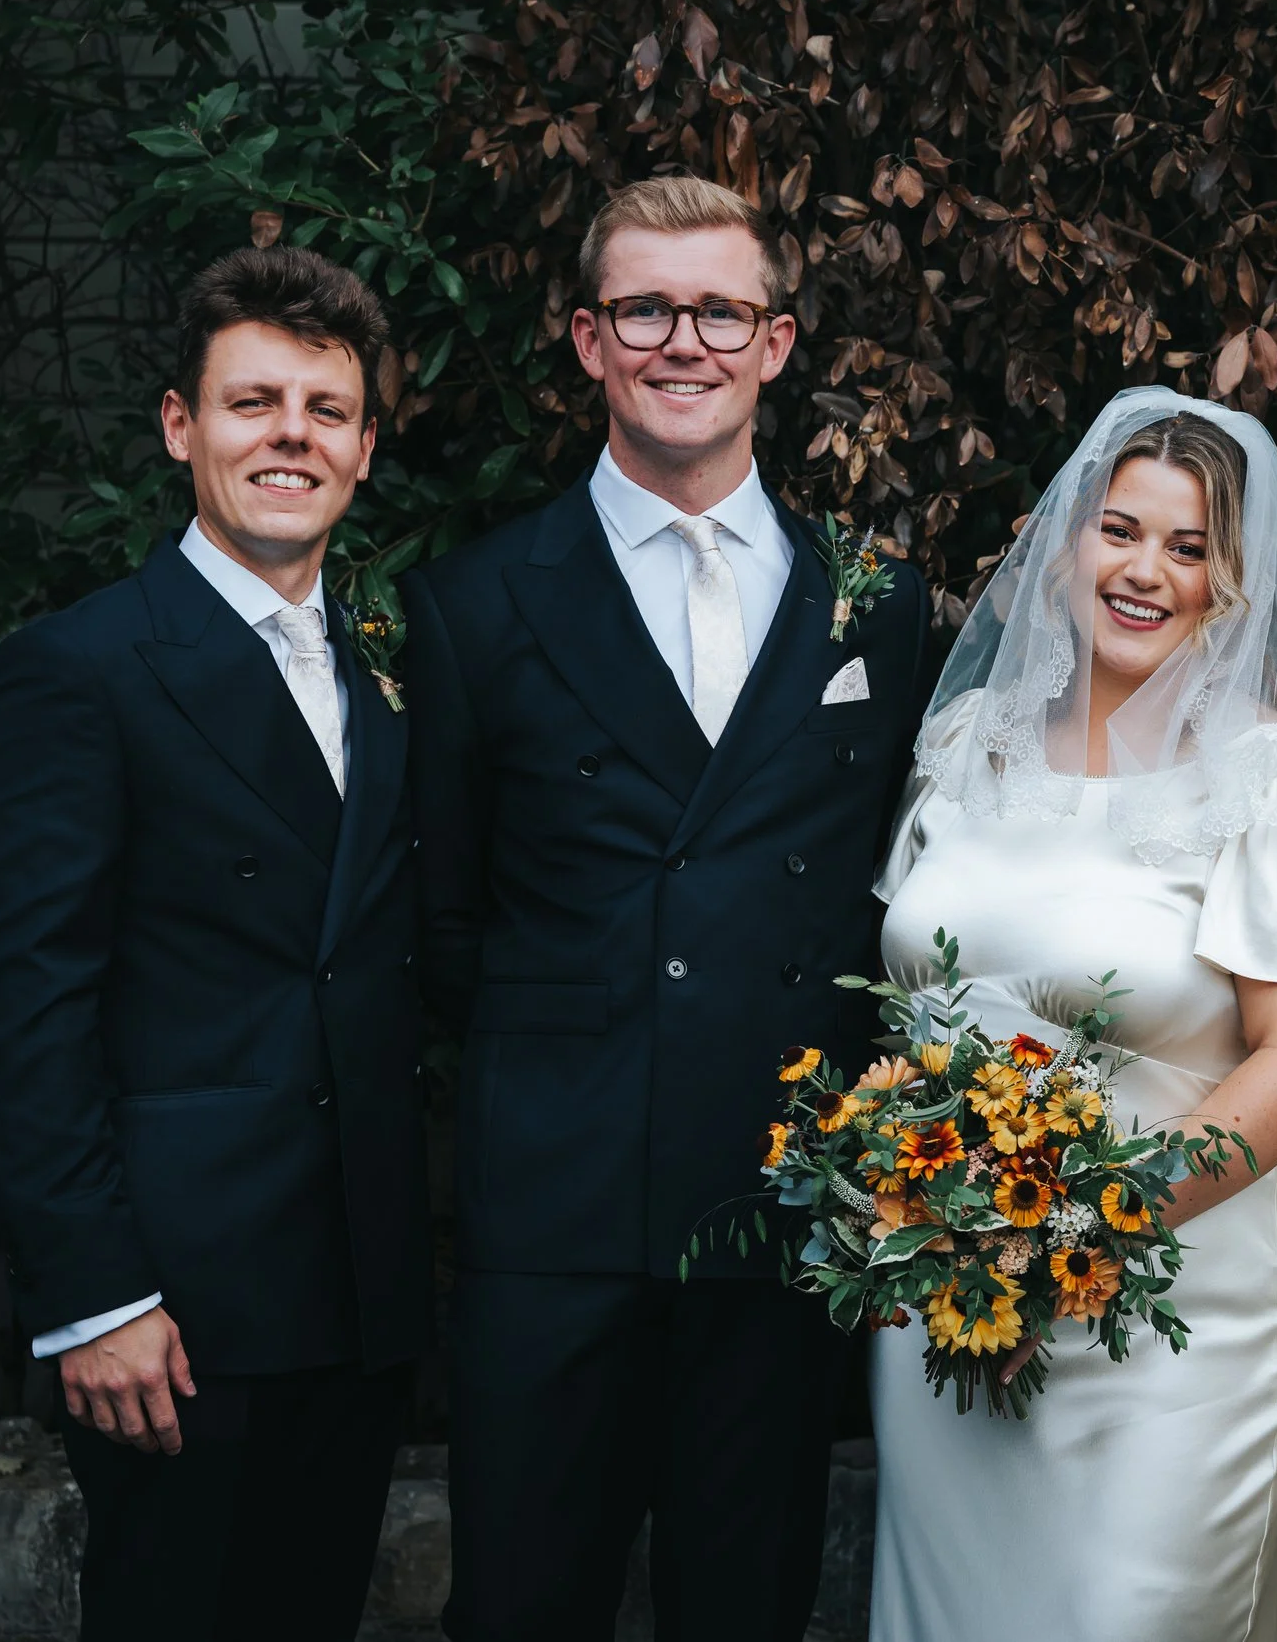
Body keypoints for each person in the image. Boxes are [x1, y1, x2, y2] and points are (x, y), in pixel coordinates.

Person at [401, 175, 931, 1641]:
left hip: (773, 1204)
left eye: (719, 309)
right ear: (588, 338)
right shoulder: (474, 600)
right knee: (520, 1602)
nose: (680, 340)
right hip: (551, 1212)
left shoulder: (873, 596)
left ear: (775, 342)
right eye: (644, 307)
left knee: (746, 1604)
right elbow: (446, 923)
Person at [868, 388, 1277, 1641]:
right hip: (947, 1306)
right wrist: (945, 1229)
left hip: (1177, 1324)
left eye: (1190, 544)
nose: (1144, 569)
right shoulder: (964, 745)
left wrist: (1063, 1235)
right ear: (1062, 550)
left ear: (1235, 583)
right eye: (1119, 529)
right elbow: (912, 1020)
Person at [0, 246, 428, 1641]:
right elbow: (31, 998)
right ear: (183, 427)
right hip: (173, 1306)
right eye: (254, 401)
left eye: (326, 408)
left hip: (355, 1287)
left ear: (360, 448)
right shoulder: (83, 666)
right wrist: (93, 1292)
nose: (291, 433)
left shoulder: (391, 669)